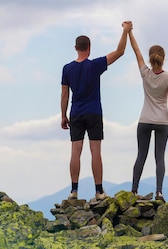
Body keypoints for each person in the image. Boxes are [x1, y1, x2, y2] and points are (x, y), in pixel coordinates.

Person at [61, 21, 133, 201]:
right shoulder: (95, 65)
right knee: (95, 151)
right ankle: (99, 191)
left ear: (76, 48)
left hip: (76, 112)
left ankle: (74, 191)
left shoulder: (67, 69)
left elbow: (64, 95)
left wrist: (63, 115)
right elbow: (120, 52)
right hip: (94, 111)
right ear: (89, 48)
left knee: (75, 151)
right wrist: (125, 31)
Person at [127, 26, 168, 202]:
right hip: (162, 121)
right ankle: (159, 192)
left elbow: (136, 51)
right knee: (159, 157)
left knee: (141, 155)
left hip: (145, 120)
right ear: (163, 59)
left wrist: (129, 32)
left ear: (151, 58)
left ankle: (133, 191)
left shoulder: (145, 73)